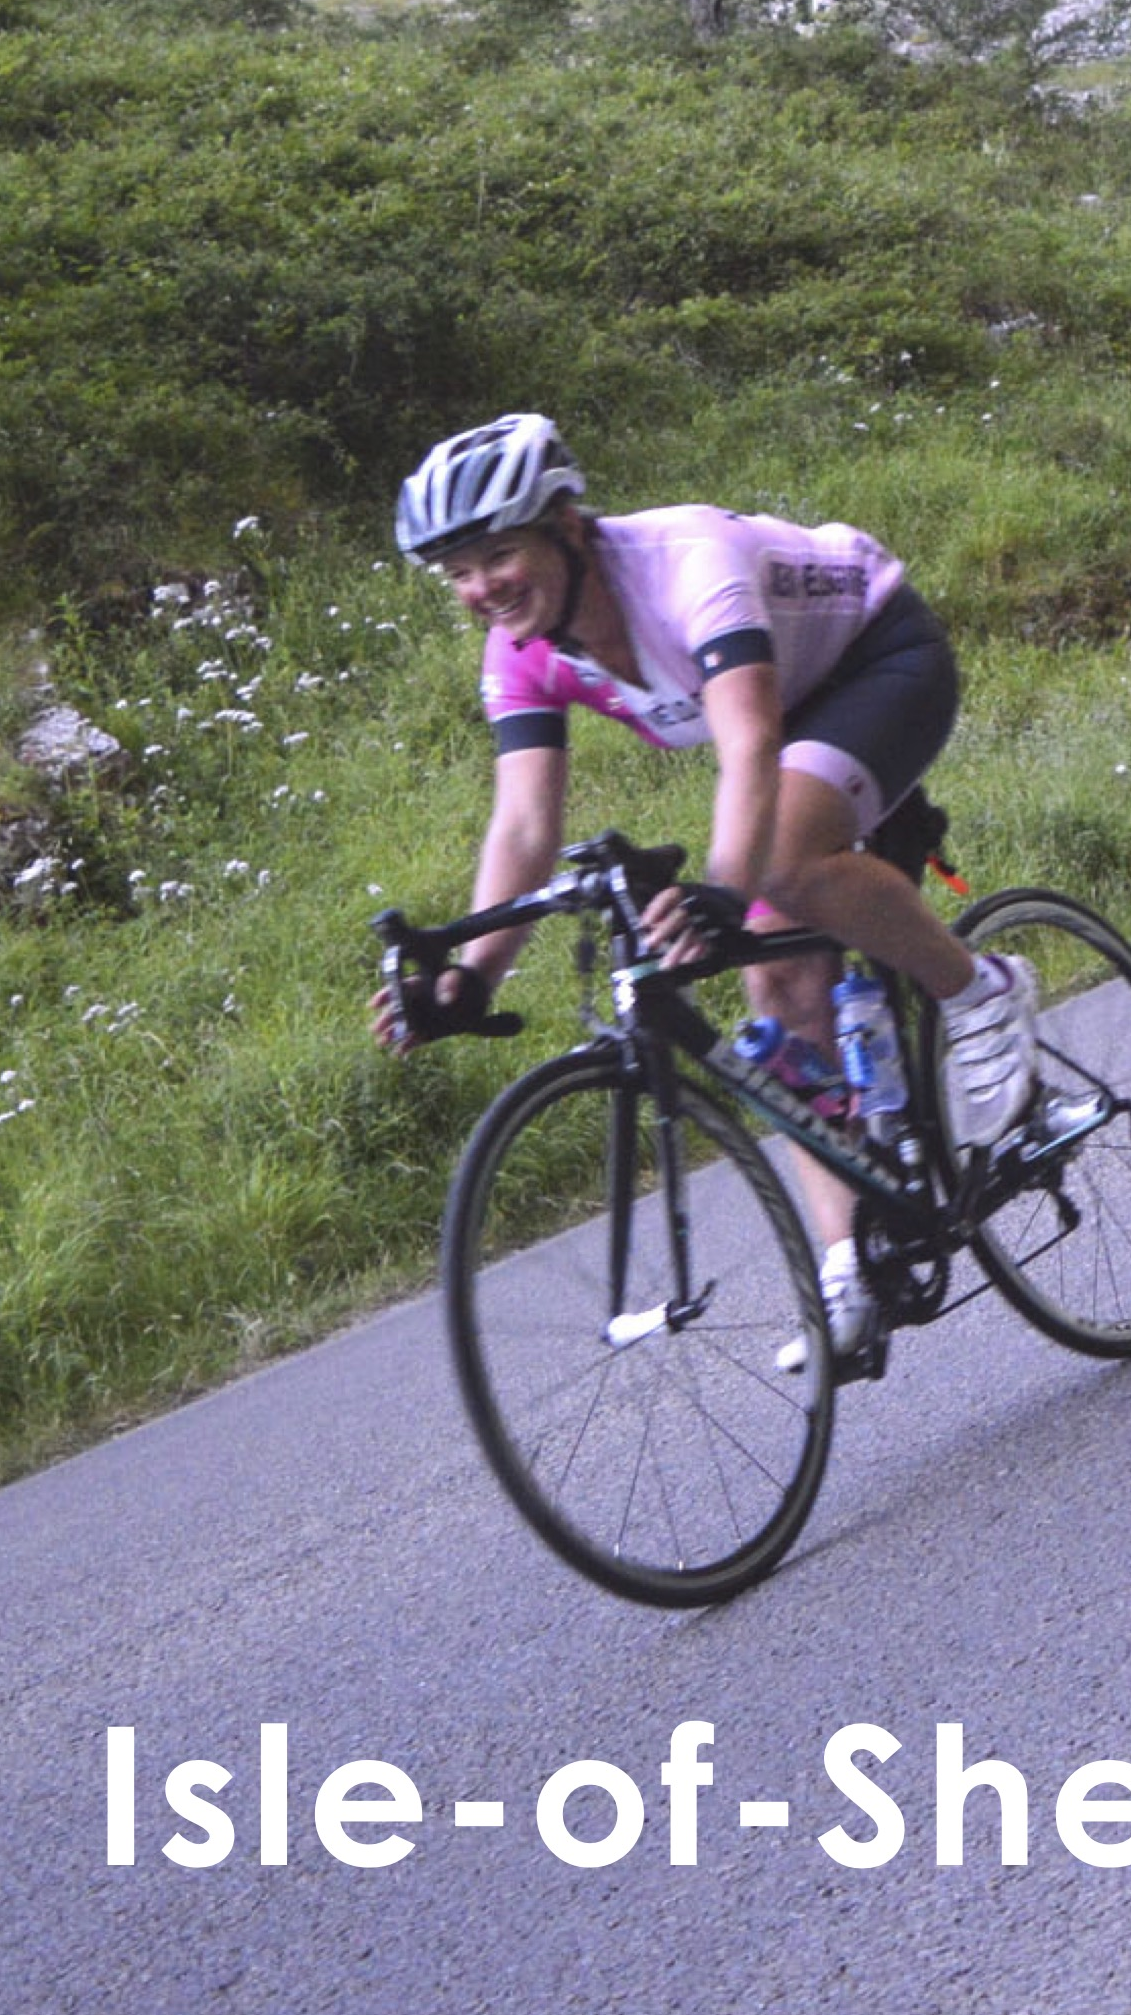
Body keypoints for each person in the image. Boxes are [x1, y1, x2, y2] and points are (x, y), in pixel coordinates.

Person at [371, 411, 1037, 1360]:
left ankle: (981, 990)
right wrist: (470, 974)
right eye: (457, 572)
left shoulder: (685, 564)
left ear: (567, 527)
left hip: (876, 659)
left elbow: (750, 740)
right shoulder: (521, 649)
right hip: (784, 718)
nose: (481, 589)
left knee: (777, 864)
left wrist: (724, 890)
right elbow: (522, 824)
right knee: (777, 982)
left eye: (499, 555)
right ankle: (850, 1263)